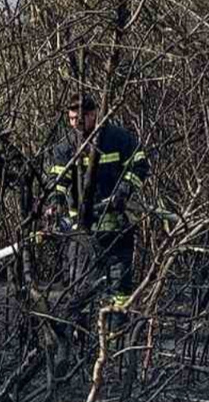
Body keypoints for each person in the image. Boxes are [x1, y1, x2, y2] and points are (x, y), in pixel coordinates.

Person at [44, 93, 150, 364]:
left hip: (117, 230)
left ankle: (116, 340)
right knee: (79, 286)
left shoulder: (116, 138)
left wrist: (123, 191)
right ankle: (77, 341)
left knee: (119, 286)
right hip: (81, 234)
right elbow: (57, 180)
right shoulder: (65, 147)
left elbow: (140, 163)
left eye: (80, 118)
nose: (75, 124)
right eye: (70, 119)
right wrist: (55, 202)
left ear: (93, 114)